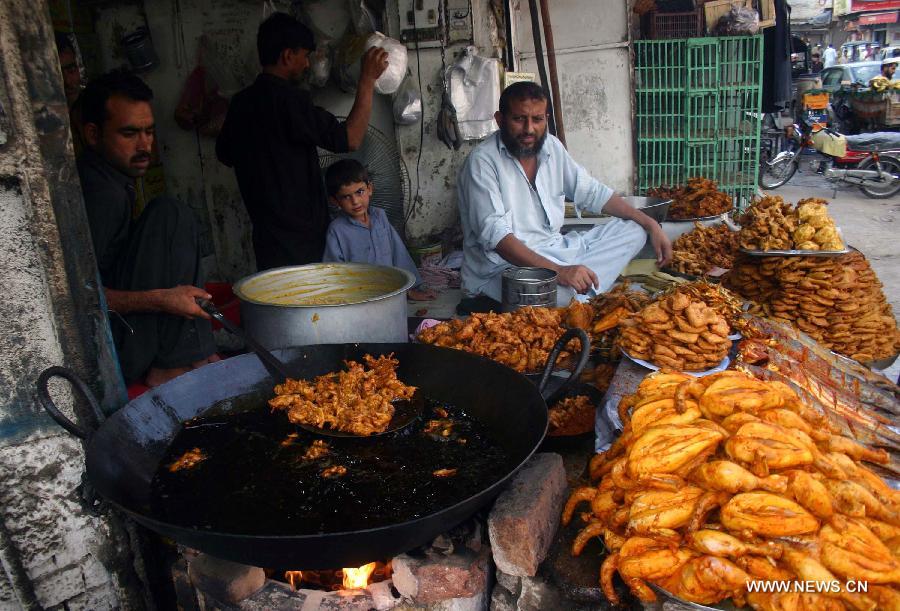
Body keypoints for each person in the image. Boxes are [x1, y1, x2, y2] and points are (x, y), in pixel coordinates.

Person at [457, 82, 672, 306]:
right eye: (519, 119)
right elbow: (498, 239)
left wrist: (650, 224)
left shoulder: (552, 147)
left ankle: (581, 291)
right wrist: (559, 272)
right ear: (500, 120)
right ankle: (580, 294)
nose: (529, 129)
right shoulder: (482, 162)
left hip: (558, 251)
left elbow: (593, 193)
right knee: (559, 297)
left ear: (546, 119)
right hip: (505, 270)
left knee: (634, 230)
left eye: (537, 119)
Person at [217, 12, 389, 271]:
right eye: (305, 56)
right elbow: (351, 138)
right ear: (288, 56)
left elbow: (225, 153)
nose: (308, 64)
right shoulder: (291, 101)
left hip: (266, 241)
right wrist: (367, 80)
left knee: (279, 305)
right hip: (304, 240)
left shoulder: (240, 103)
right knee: (313, 307)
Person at [77, 70, 218, 387]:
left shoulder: (111, 179)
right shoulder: (102, 194)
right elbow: (81, 299)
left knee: (171, 214)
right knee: (169, 214)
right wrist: (162, 299)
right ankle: (173, 364)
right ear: (93, 134)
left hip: (131, 335)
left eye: (149, 132)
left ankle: (192, 353)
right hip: (111, 352)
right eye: (129, 134)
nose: (144, 145)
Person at [322, 159, 435, 301]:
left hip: (391, 296)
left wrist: (411, 291)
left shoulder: (380, 217)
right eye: (346, 197)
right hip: (358, 300)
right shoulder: (337, 230)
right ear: (335, 201)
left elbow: (399, 255)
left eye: (359, 192)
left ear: (369, 189)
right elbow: (333, 274)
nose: (355, 201)